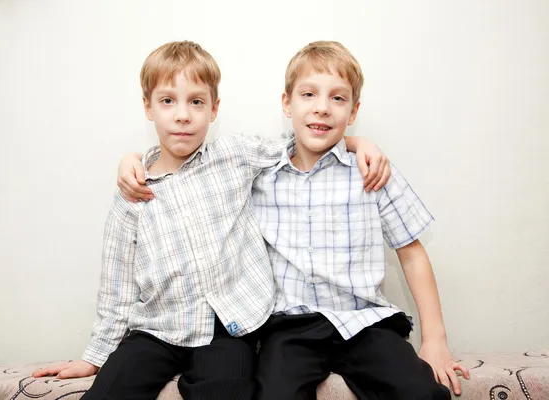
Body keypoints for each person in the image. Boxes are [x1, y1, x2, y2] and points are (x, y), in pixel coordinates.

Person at [34, 40, 390, 400]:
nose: (183, 115)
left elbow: (300, 143)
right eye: (168, 101)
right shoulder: (134, 189)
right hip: (157, 328)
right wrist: (95, 357)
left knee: (228, 389)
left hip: (228, 331)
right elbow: (117, 286)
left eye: (196, 102)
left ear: (214, 108)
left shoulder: (234, 156)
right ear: (148, 107)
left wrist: (357, 142)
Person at [118, 41, 470, 399]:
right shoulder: (260, 173)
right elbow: (194, 177)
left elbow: (411, 253)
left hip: (365, 321)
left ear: (353, 111)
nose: (322, 108)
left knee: (419, 392)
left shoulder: (371, 172)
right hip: (290, 327)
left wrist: (435, 340)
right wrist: (134, 160)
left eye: (337, 98)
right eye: (308, 94)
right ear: (287, 103)